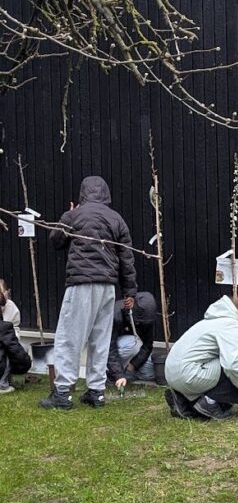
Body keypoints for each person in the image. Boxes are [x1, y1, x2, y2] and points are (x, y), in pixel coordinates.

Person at [40, 176, 137, 410]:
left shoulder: (75, 215)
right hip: (108, 287)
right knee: (100, 339)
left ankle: (62, 393)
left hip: (81, 283)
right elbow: (127, 258)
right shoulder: (116, 219)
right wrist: (129, 291)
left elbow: (56, 240)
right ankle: (96, 392)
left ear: (83, 193)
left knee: (69, 337)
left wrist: (67, 215)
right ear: (106, 193)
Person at [164, 294, 238, 420]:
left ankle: (183, 401)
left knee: (228, 364)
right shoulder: (233, 326)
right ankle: (210, 403)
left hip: (172, 374)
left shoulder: (214, 320)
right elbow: (231, 365)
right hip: (189, 374)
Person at [106, 292, 159, 391]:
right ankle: (109, 372)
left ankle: (126, 372)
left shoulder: (148, 318)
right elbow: (109, 348)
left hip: (131, 353)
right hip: (109, 351)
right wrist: (118, 374)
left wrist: (133, 366)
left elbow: (148, 345)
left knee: (150, 373)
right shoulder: (116, 315)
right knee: (133, 343)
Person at [0, 320, 30, 394]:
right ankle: (2, 385)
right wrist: (23, 368)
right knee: (19, 348)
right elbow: (16, 351)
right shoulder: (4, 326)